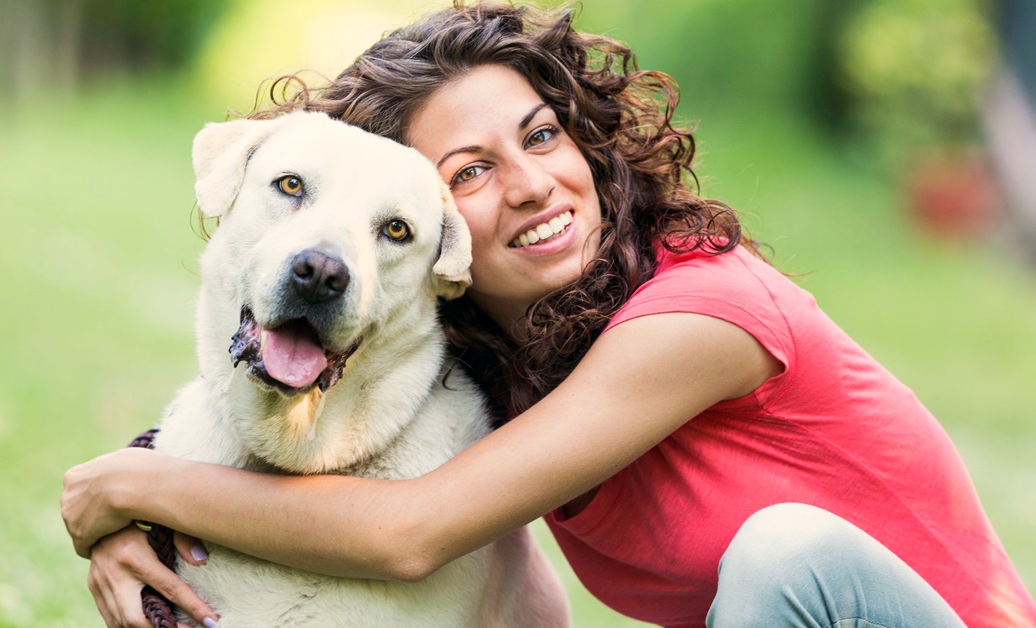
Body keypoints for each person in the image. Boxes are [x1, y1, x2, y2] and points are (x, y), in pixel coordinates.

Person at [60, 3, 1036, 627]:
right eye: (472, 171)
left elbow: (413, 530)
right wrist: (135, 504)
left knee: (790, 552)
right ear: (430, 241)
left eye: (541, 135)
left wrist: (133, 483)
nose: (533, 185)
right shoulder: (512, 358)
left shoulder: (702, 311)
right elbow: (305, 421)